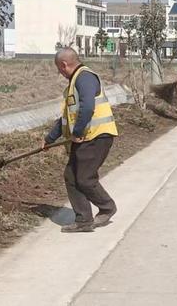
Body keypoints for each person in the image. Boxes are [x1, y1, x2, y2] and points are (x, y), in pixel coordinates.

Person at [43, 48, 118, 233]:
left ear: (64, 65)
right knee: (71, 176)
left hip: (96, 135)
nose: (60, 73)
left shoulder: (85, 77)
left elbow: (88, 108)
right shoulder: (73, 84)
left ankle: (107, 207)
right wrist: (49, 139)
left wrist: (77, 131)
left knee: (84, 178)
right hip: (85, 137)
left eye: (59, 69)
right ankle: (83, 220)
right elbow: (65, 119)